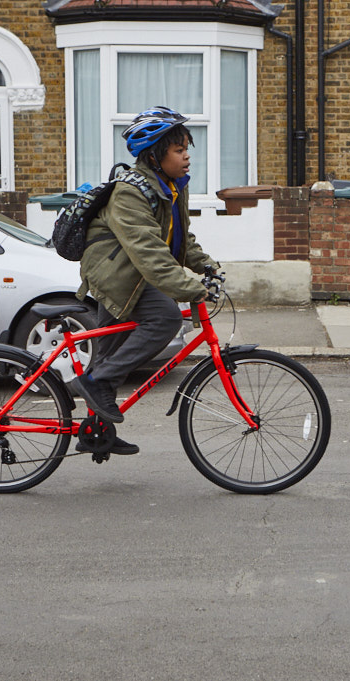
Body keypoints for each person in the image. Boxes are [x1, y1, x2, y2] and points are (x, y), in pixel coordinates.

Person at [74, 106, 220, 455]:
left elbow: (179, 238)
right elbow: (149, 251)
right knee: (166, 317)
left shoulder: (170, 186)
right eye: (178, 150)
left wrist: (207, 266)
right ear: (155, 155)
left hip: (132, 274)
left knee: (112, 358)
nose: (187, 156)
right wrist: (189, 288)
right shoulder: (130, 191)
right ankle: (96, 385)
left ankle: (96, 433)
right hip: (116, 276)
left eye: (187, 148)